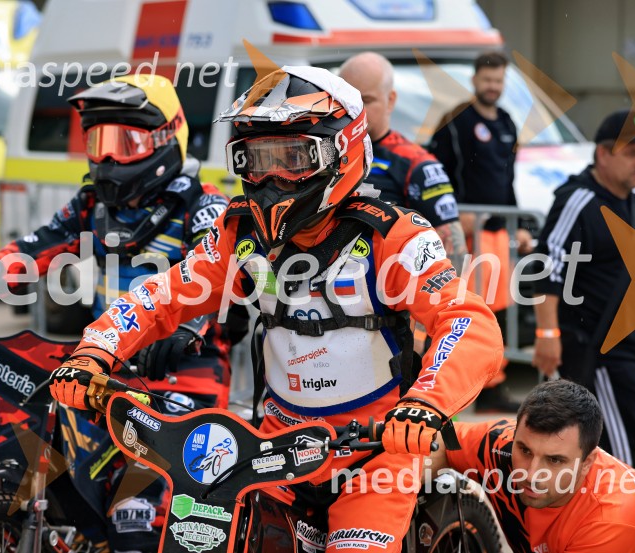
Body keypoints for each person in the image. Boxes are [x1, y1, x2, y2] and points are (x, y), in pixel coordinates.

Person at [49, 66, 504, 553]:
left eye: (290, 157)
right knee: (213, 536)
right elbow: (164, 294)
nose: (270, 177)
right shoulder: (240, 233)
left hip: (374, 454)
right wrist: (96, 351)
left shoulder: (392, 235)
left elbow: (468, 321)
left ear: (339, 150)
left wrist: (426, 403)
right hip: (274, 449)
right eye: (257, 158)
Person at [0, 74, 246, 552]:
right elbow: (18, 259)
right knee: (43, 472)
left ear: (167, 137)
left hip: (183, 374)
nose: (107, 159)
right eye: (97, 142)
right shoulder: (90, 206)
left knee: (135, 521)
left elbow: (225, 281)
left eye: (125, 143)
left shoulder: (204, 207)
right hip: (103, 367)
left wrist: (190, 329)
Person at [531, 109, 635, 479]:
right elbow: (547, 267)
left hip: (632, 348)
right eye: (631, 153)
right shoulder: (579, 201)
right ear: (602, 153)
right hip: (601, 353)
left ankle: (618, 514)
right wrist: (547, 333)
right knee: (626, 453)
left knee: (619, 447)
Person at [430, 379, 635, 553]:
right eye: (525, 450)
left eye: (554, 460)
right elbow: (436, 444)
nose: (531, 474)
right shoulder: (499, 445)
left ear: (587, 462)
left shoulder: (613, 516)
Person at [428, 51, 530, 413]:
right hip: (465, 236)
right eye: (487, 79)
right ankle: (461, 388)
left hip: (499, 231)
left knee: (499, 312)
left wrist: (518, 225)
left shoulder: (507, 122)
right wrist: (453, 216)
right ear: (474, 80)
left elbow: (507, 180)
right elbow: (434, 175)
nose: (492, 86)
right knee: (468, 312)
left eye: (498, 81)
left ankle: (492, 386)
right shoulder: (455, 122)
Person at [338, 52, 467, 270]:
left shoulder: (417, 164)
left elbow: (453, 251)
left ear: (390, 100)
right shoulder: (324, 154)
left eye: (366, 100)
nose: (355, 110)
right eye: (347, 101)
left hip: (392, 283)